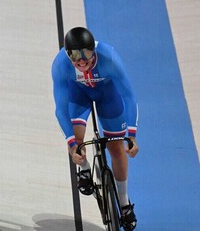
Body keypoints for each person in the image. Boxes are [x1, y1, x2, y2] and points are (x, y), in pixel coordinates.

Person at [51, 27, 139, 230]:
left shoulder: (109, 57)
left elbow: (129, 96)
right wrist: (72, 144)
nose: (82, 63)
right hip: (78, 95)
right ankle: (83, 169)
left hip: (107, 95)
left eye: (87, 58)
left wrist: (132, 135)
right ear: (68, 56)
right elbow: (61, 109)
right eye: (76, 60)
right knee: (77, 140)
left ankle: (124, 203)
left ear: (94, 51)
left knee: (116, 149)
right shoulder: (60, 65)